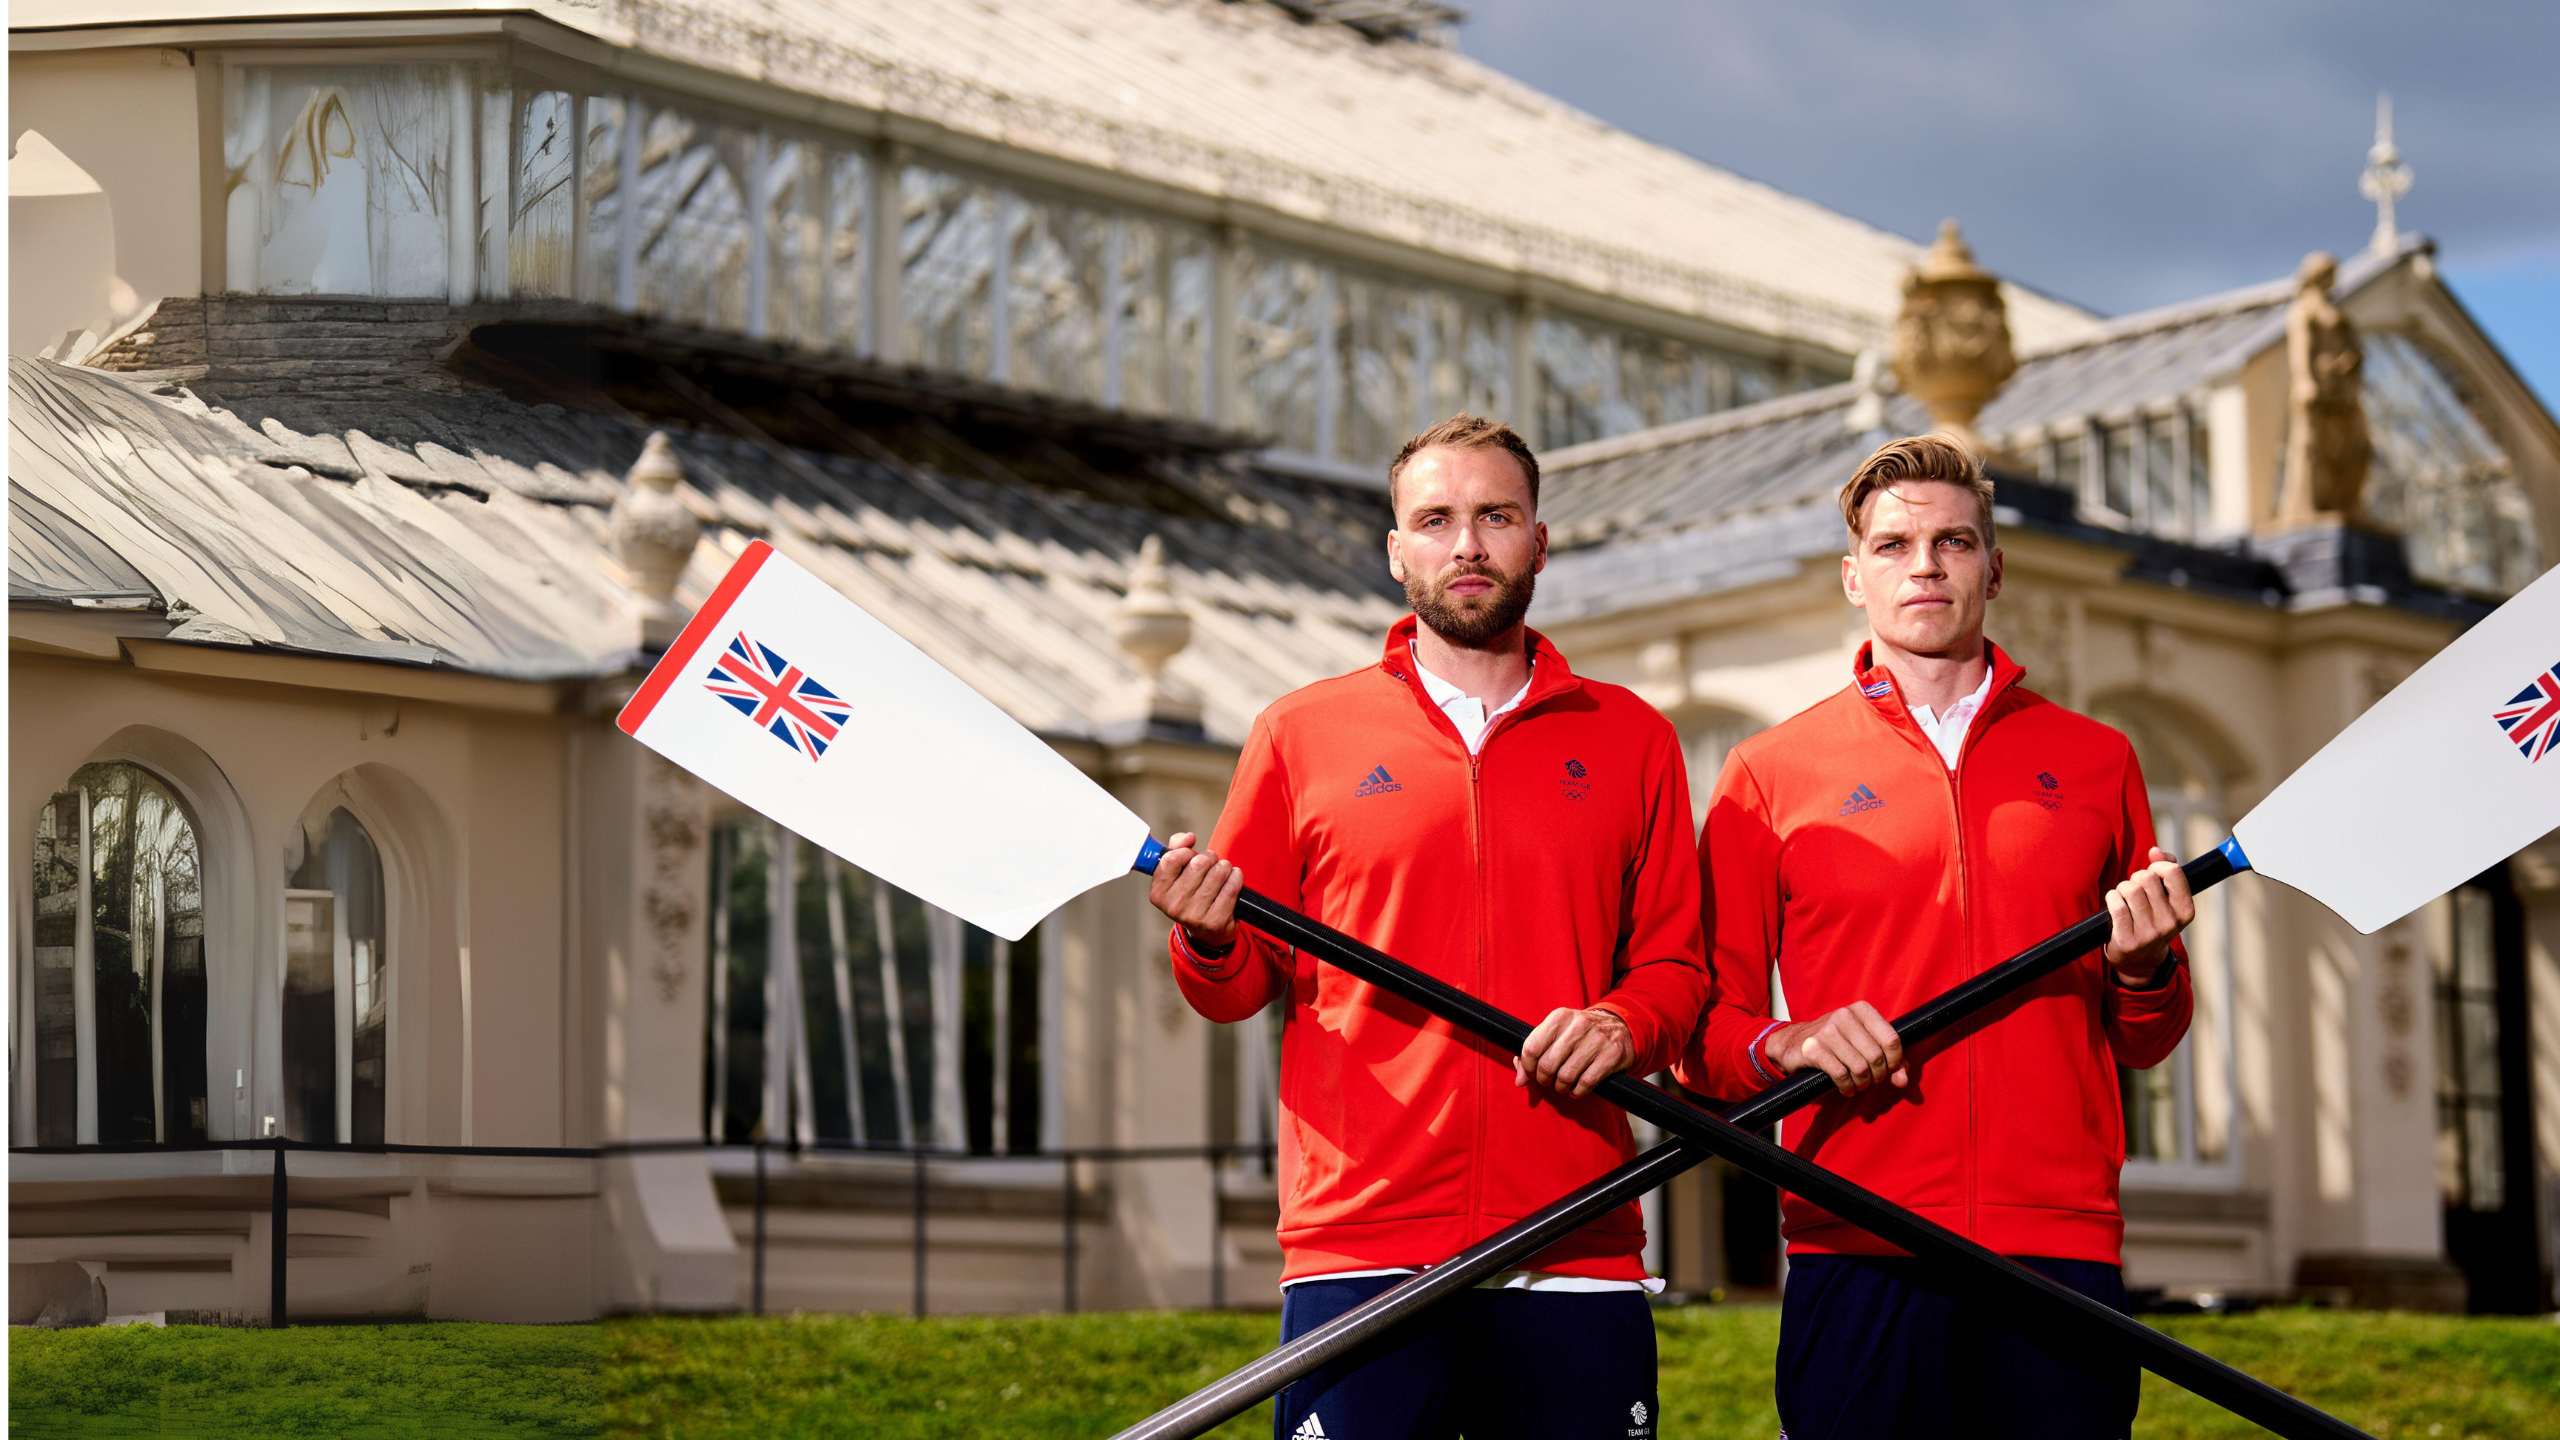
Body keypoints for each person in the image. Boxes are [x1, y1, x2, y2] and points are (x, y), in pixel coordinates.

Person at [1150, 414, 1705, 1440]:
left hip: (1573, 1239)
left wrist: (1623, 1024)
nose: (1467, 544)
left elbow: (1678, 966)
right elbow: (1230, 988)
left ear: (1539, 541)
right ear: (1395, 549)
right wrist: (1207, 936)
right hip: (1360, 1243)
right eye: (1436, 519)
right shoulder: (1299, 733)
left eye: (1495, 516)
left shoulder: (1632, 739)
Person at [1678, 434, 2196, 1440]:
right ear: (1852, 576)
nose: (1924, 565)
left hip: (2056, 1245)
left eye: (1953, 543)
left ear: (1992, 569)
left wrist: (2146, 966)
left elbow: (2147, 1035)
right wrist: (1787, 1042)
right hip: (1856, 1239)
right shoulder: (1769, 772)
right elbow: (1701, 1036)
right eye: (1893, 545)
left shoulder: (2095, 761)